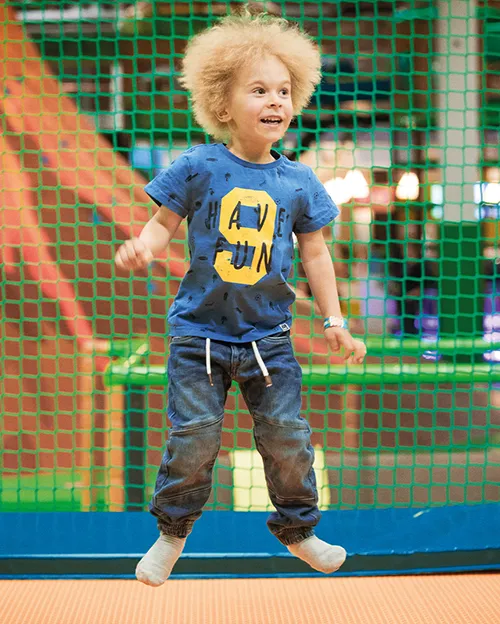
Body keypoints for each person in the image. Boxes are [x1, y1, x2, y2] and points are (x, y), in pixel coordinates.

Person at [115, 9, 367, 587]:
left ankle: (299, 532)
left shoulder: (299, 182)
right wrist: (143, 247)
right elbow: (162, 224)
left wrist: (334, 319)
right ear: (224, 104)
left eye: (283, 90)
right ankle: (172, 533)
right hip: (198, 334)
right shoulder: (198, 165)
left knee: (286, 435)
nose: (274, 100)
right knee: (195, 434)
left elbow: (316, 255)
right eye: (258, 90)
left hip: (268, 337)